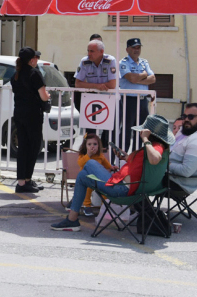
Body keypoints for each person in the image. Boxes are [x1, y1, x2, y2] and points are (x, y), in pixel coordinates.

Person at [51, 114, 172, 232]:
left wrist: (145, 139)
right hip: (123, 185)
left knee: (90, 163)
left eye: (143, 131)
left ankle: (72, 215)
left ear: (149, 133)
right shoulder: (155, 146)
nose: (140, 133)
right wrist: (126, 157)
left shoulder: (157, 146)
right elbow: (143, 164)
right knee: (82, 176)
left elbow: (154, 159)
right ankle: (72, 220)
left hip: (121, 189)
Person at [11, 47, 50, 194]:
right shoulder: (34, 73)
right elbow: (43, 96)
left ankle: (22, 182)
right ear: (32, 60)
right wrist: (48, 96)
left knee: (23, 148)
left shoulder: (16, 75)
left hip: (19, 114)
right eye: (36, 58)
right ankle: (26, 180)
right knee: (33, 147)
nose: (37, 60)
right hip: (33, 115)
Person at [74, 39, 117, 148]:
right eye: (88, 51)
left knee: (109, 132)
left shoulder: (110, 61)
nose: (89, 54)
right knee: (90, 132)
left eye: (92, 51)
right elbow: (78, 84)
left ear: (101, 52)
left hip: (109, 101)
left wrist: (90, 85)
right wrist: (96, 86)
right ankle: (90, 153)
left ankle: (107, 154)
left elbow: (112, 84)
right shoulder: (84, 61)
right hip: (92, 101)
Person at [167, 103, 197, 196]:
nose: (186, 119)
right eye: (184, 116)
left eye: (191, 117)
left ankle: (144, 205)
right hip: (170, 176)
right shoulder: (188, 130)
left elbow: (186, 171)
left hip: (179, 182)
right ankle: (144, 205)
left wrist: (164, 164)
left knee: (139, 177)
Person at [119, 38, 155, 152]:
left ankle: (136, 155)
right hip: (129, 100)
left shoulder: (144, 62)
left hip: (143, 100)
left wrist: (137, 80)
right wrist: (144, 74)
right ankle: (122, 156)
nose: (136, 50)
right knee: (126, 130)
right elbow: (131, 78)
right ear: (127, 49)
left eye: (138, 47)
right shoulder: (123, 62)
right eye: (133, 47)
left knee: (141, 130)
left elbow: (153, 79)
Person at [74, 133, 115, 217]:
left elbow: (106, 164)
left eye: (95, 144)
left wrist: (112, 167)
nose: (92, 146)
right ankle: (87, 206)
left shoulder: (100, 155)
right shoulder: (83, 155)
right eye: (89, 144)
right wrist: (88, 155)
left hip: (98, 178)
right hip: (87, 178)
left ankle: (105, 206)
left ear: (98, 145)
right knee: (87, 190)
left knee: (105, 190)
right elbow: (80, 163)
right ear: (85, 146)